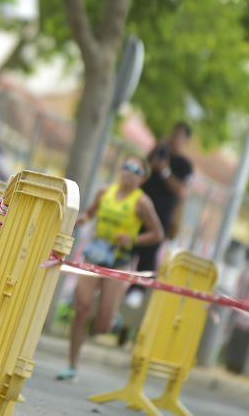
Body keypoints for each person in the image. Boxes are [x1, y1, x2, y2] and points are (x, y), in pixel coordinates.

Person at [56, 155, 164, 381]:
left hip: (119, 261)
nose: (128, 172)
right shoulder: (105, 192)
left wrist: (133, 239)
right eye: (126, 166)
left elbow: (157, 234)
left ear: (143, 178)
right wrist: (82, 219)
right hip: (95, 254)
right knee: (82, 308)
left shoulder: (142, 203)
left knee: (103, 326)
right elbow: (90, 213)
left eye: (135, 169)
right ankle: (72, 364)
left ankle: (110, 318)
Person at [131, 122, 193, 278]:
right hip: (139, 211)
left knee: (148, 255)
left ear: (186, 140)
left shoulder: (184, 165)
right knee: (128, 246)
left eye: (179, 136)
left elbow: (181, 190)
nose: (174, 139)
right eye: (174, 134)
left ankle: (138, 290)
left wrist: (165, 170)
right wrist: (157, 148)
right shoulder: (159, 152)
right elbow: (144, 170)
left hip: (161, 215)